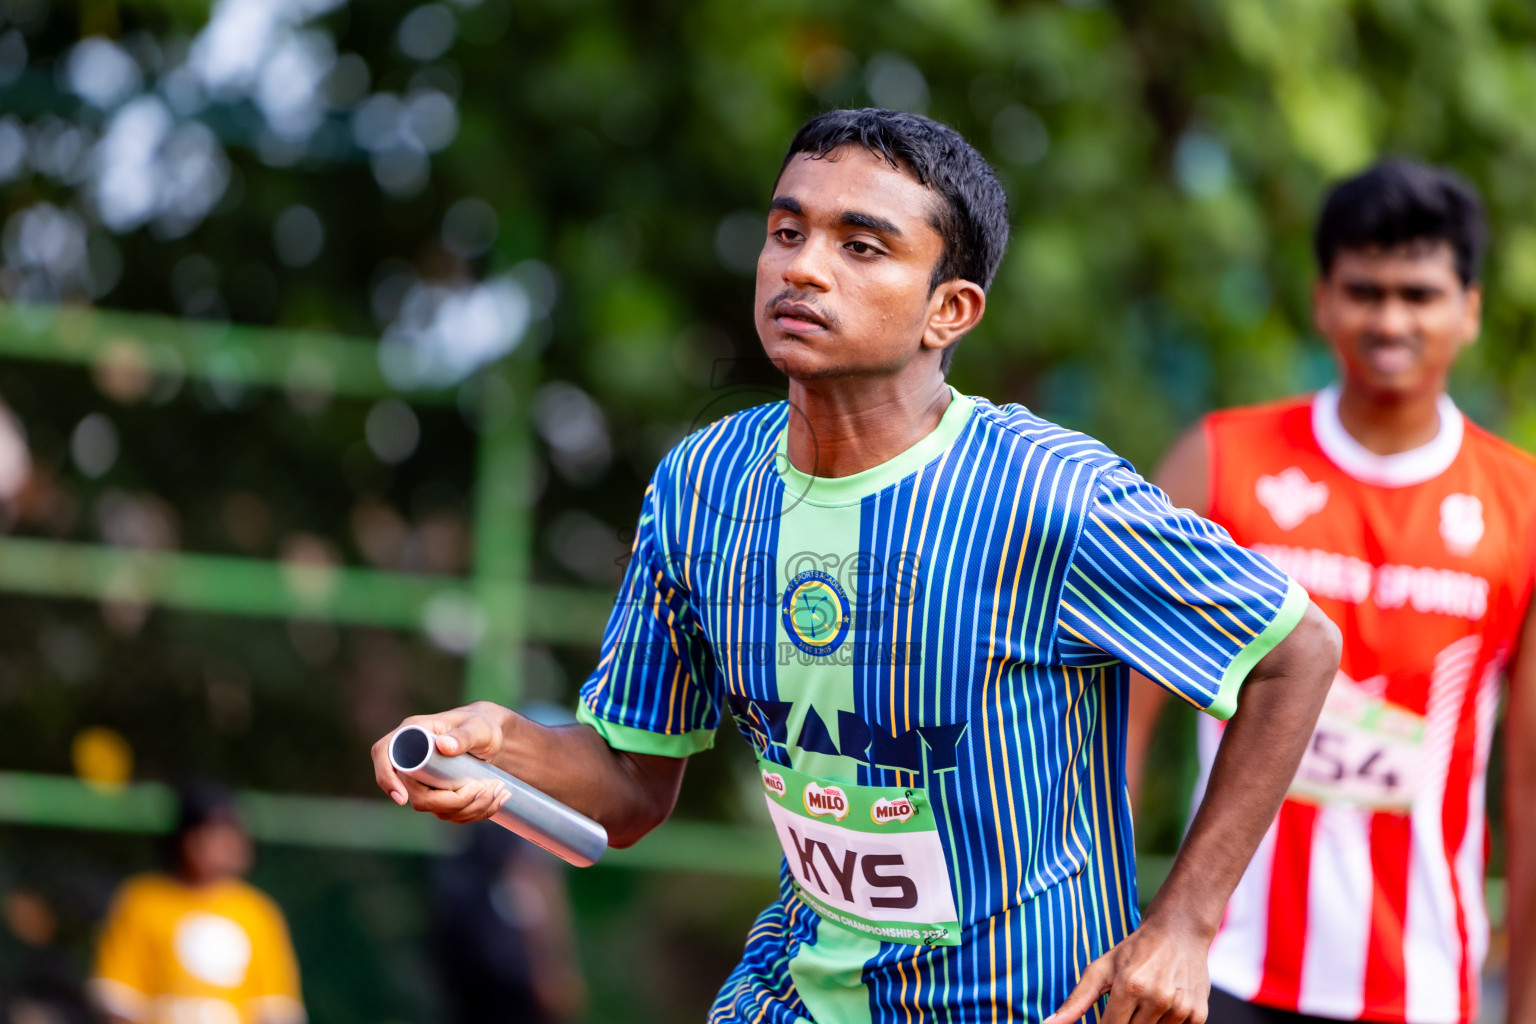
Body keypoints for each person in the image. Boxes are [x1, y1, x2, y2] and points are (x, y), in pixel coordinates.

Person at [372, 107, 1342, 1023]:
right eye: (786, 232)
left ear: (948, 310)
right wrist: (496, 742)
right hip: (788, 993)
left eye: (861, 246)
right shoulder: (703, 485)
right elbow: (630, 787)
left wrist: (1184, 922)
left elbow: (1297, 650)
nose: (803, 268)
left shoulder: (1047, 494)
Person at [1124, 159, 1536, 1024]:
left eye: (1419, 294)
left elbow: (1530, 781)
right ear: (1323, 301)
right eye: (1365, 290)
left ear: (1469, 310)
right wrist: (1102, 931)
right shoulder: (1221, 462)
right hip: (1216, 968)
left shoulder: (1523, 506)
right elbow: (1119, 724)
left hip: (1425, 986)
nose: (1390, 318)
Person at [89, 784, 306, 1024]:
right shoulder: (143, 901)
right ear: (187, 838)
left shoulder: (257, 912)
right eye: (217, 832)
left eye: (236, 833)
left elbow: (276, 1008)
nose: (231, 844)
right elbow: (120, 1000)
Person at [430, 823, 586, 1023]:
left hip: (477, 957)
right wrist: (551, 966)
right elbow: (530, 883)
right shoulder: (526, 814)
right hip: (505, 967)